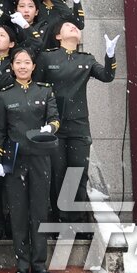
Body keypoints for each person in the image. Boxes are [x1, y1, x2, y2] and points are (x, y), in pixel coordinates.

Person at [37, 23, 117, 225]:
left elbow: (107, 76)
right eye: (67, 26)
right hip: (54, 124)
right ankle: (59, 219)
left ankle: (76, 220)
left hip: (79, 124)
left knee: (78, 172)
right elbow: (38, 87)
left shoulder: (86, 59)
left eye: (75, 26)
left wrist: (110, 55)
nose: (73, 28)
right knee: (58, 173)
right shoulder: (48, 58)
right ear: (58, 35)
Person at [0, 48, 60, 273]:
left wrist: (49, 128)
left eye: (27, 62)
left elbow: (54, 118)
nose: (22, 66)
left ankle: (39, 263)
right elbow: (0, 131)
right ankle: (22, 262)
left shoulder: (45, 90)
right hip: (14, 159)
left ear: (33, 66)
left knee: (40, 211)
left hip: (40, 157)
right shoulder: (4, 95)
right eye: (18, 62)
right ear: (12, 66)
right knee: (18, 212)